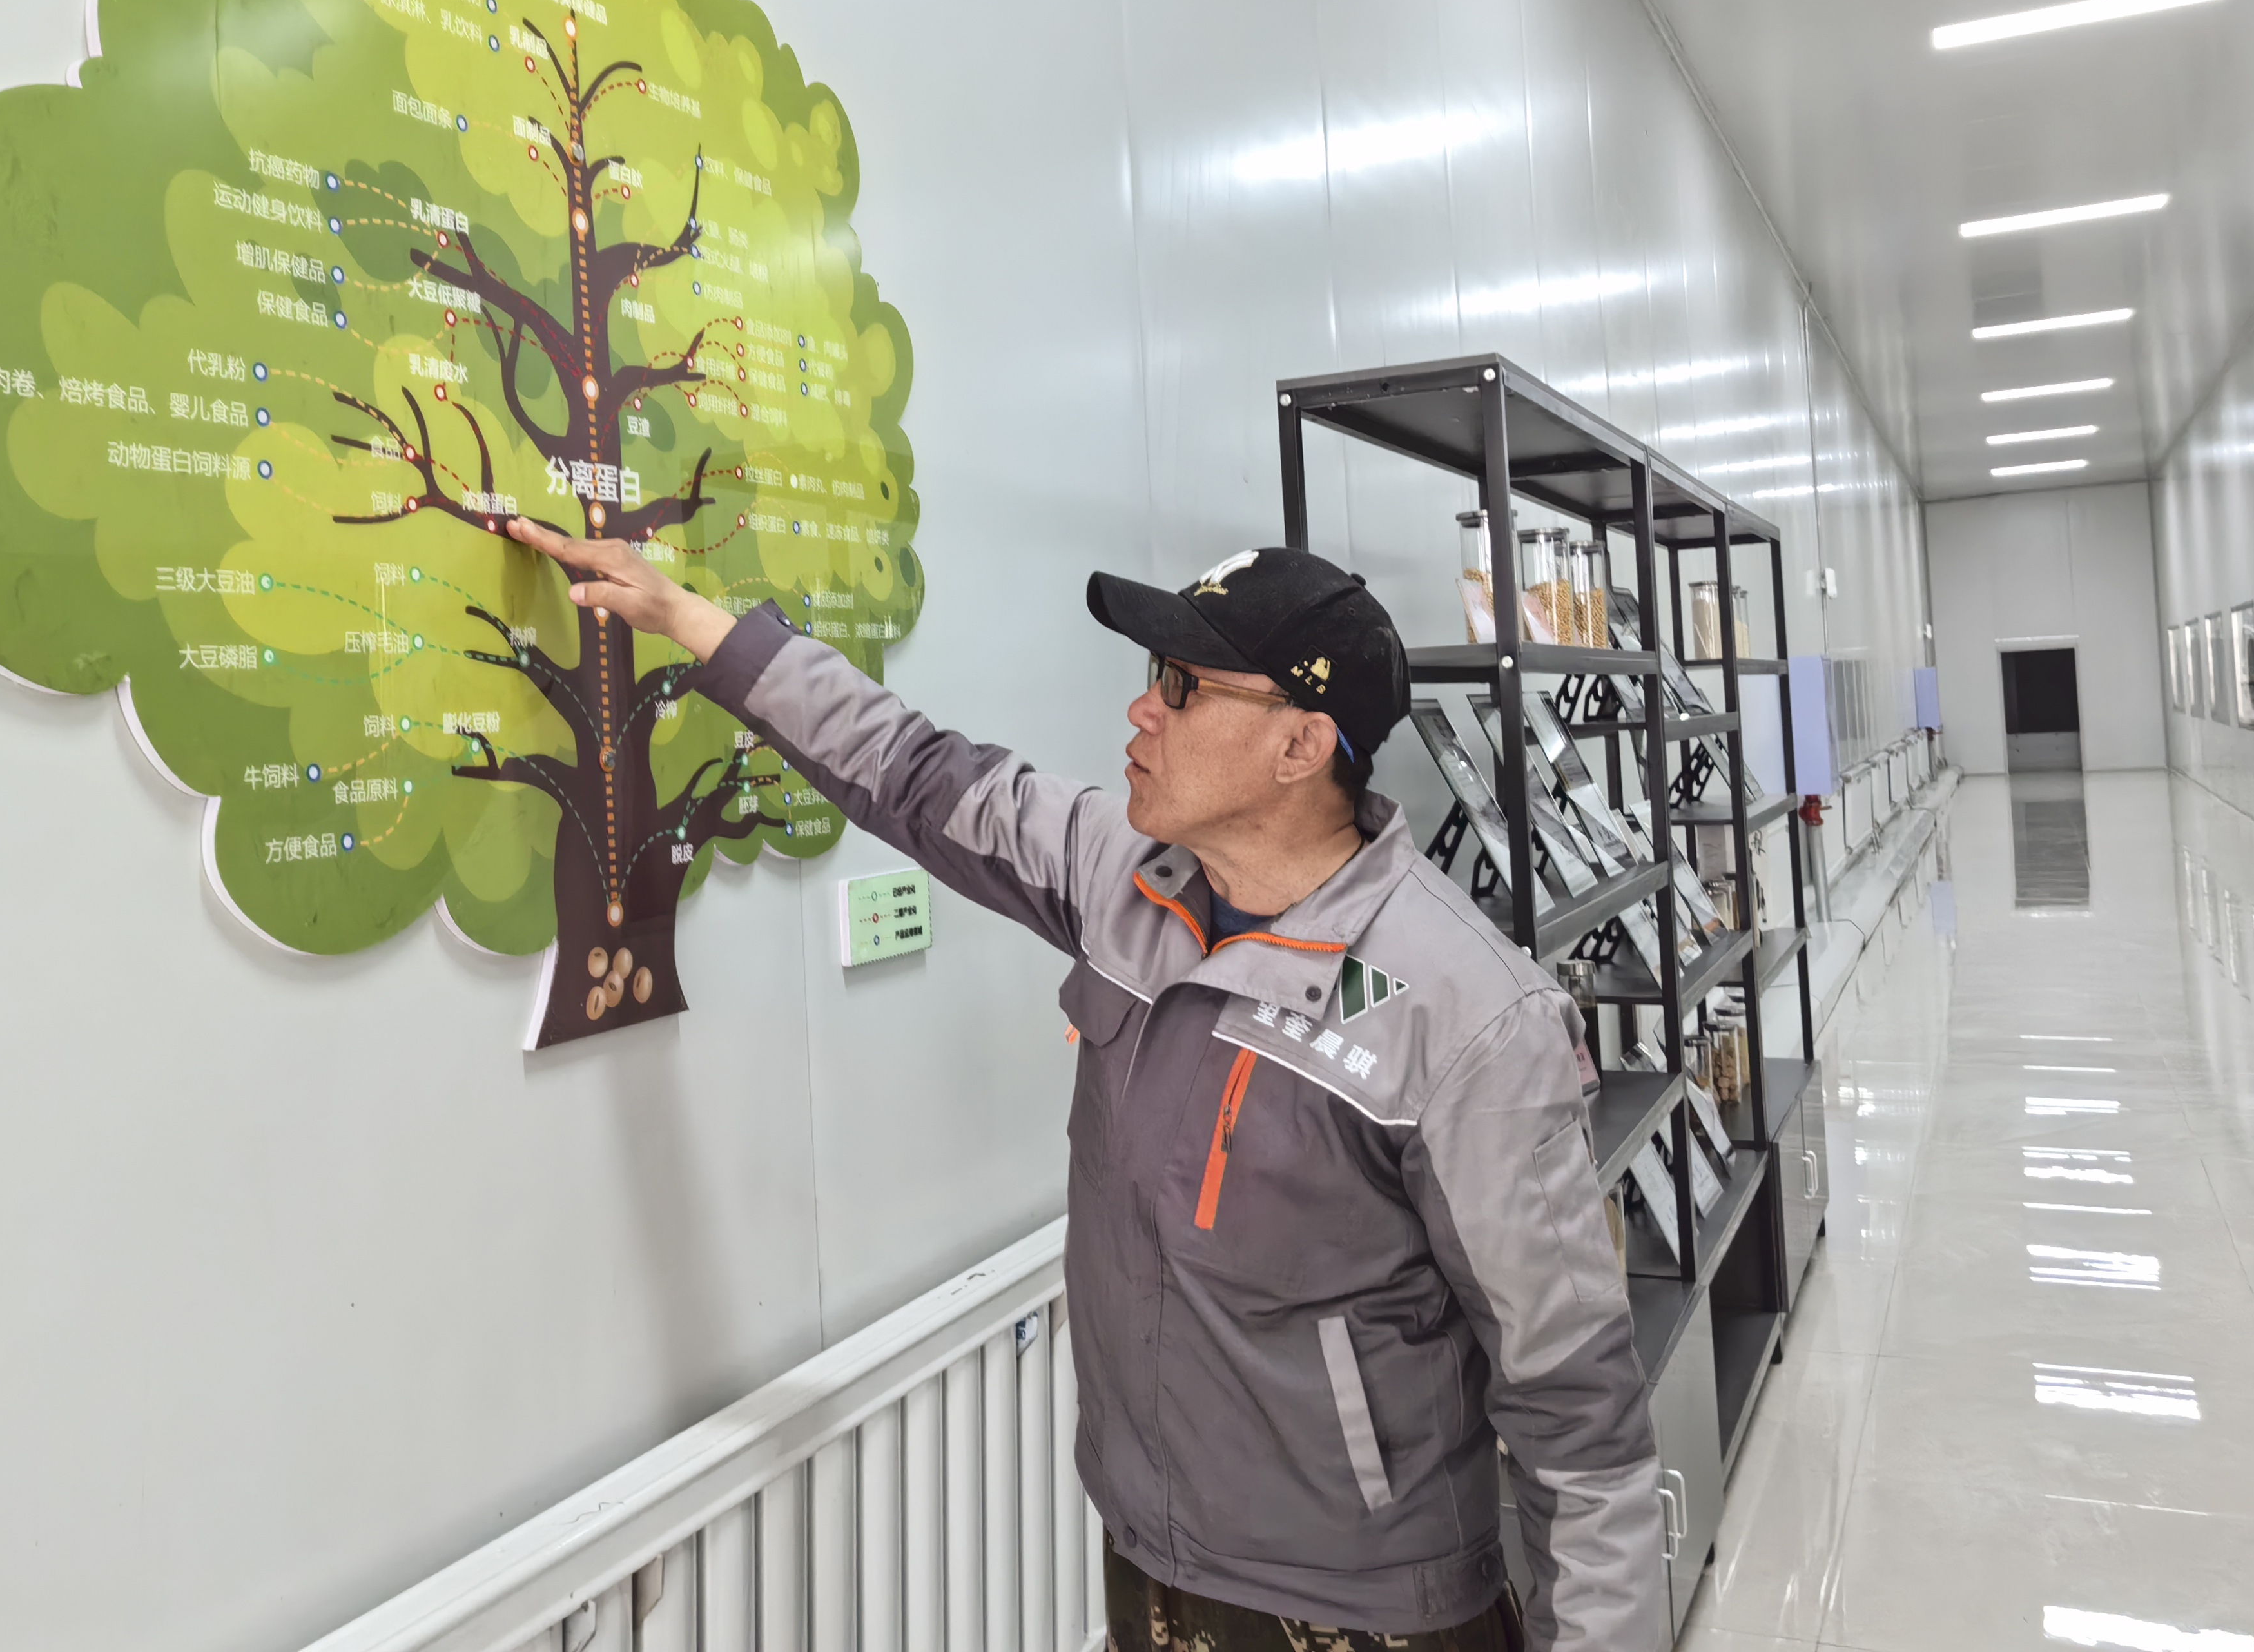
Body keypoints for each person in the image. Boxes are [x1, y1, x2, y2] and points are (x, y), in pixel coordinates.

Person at [508, 520, 1665, 1652]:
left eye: (1182, 686)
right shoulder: (1124, 872)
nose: (1141, 712)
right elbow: (914, 772)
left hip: (1363, 1612)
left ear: (1302, 747)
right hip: (1147, 1551)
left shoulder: (1472, 1017)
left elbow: (1577, 1417)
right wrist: (692, 623)